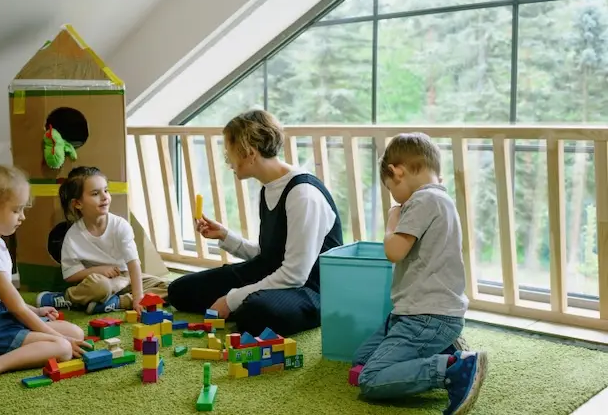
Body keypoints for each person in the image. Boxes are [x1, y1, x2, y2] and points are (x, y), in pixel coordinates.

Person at [166, 109, 344, 337]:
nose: (227, 160)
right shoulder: (268, 187)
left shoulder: (303, 195)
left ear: (249, 153)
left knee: (256, 313)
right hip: (278, 275)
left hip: (310, 289)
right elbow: (269, 257)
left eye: (228, 152)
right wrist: (225, 237)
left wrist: (231, 299)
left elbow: (295, 275)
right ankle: (243, 304)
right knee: (179, 291)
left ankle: (248, 307)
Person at [352, 133, 487, 415]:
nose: (394, 197)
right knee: (361, 360)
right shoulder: (439, 199)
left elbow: (394, 251)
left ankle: (452, 368)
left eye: (390, 188)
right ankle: (447, 348)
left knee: (370, 378)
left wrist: (392, 221)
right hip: (415, 314)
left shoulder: (422, 201)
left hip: (426, 317)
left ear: (396, 172)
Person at [0, 164, 88, 392]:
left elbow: (11, 302)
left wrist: (38, 312)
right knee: (62, 347)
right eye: (16, 210)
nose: (22, 217)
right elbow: (16, 309)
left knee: (75, 332)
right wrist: (55, 337)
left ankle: (39, 344)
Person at [36, 166, 170, 314]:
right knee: (101, 287)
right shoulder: (73, 236)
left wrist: (138, 297)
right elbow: (70, 275)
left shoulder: (120, 226)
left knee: (169, 288)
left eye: (106, 190)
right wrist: (97, 270)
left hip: (125, 277)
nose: (104, 197)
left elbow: (133, 263)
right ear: (78, 204)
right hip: (96, 283)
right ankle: (67, 298)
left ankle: (118, 302)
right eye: (95, 193)